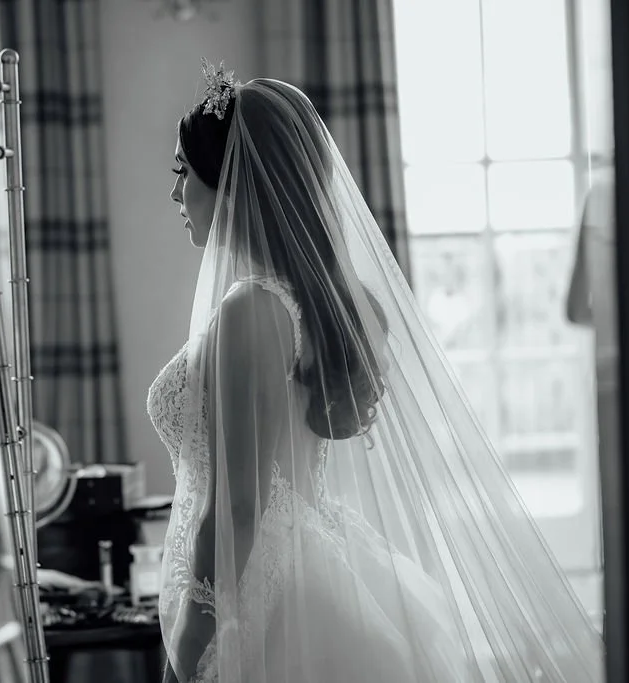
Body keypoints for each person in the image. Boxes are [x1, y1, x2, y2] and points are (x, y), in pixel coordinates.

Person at [146, 60, 604, 683]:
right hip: (304, 567)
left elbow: (241, 504)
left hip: (266, 597)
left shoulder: (251, 309)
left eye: (183, 171)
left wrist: (191, 639)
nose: (175, 193)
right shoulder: (293, 298)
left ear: (231, 179)